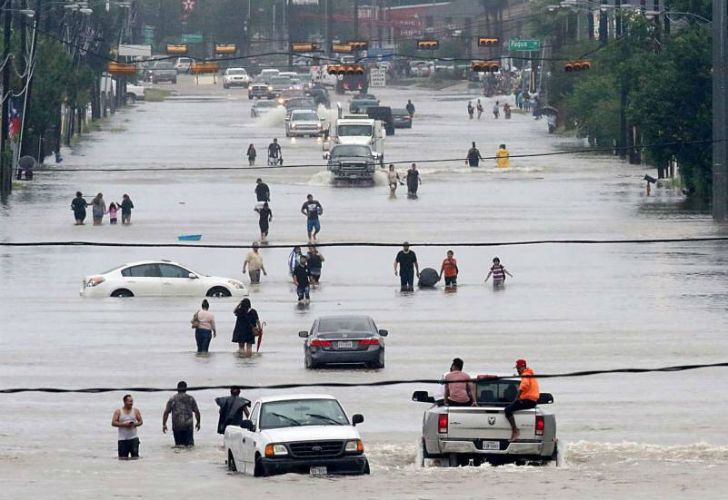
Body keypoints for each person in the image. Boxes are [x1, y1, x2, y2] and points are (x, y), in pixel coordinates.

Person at [505, 359, 540, 441]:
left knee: (507, 410)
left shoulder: (526, 374)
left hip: (528, 401)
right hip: (531, 401)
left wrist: (517, 396)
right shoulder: (530, 374)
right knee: (511, 407)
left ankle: (515, 431)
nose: (517, 370)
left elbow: (524, 385)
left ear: (523, 367)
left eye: (518, 368)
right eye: (517, 368)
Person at [163, 381, 201, 447]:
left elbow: (166, 412)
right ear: (186, 388)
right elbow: (197, 412)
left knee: (179, 446)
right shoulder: (190, 398)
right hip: (188, 425)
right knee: (190, 446)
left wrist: (164, 424)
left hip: (177, 425)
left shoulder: (172, 399)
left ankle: (179, 457)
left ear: (177, 388)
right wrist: (198, 422)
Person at [112, 394, 143, 460]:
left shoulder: (136, 411)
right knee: (122, 459)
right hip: (122, 439)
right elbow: (113, 423)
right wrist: (124, 425)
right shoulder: (118, 411)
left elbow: (140, 422)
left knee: (135, 458)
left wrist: (134, 424)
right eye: (129, 401)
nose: (131, 403)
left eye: (132, 401)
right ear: (124, 402)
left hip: (134, 438)